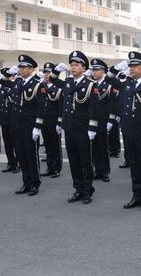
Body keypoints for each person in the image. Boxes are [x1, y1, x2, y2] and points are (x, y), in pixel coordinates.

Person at [106, 51, 141, 211]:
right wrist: (117, 68)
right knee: (134, 165)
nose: (131, 68)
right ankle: (136, 195)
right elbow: (108, 78)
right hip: (129, 130)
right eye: (130, 65)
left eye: (134, 66)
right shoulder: (127, 84)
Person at [50, 51, 98, 204]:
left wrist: (92, 128)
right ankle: (78, 188)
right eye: (71, 65)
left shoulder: (90, 85)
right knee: (73, 161)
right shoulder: (69, 83)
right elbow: (52, 79)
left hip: (83, 129)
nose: (73, 67)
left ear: (84, 68)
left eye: (76, 65)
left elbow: (94, 108)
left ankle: (88, 190)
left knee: (85, 160)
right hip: (69, 128)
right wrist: (58, 70)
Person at [7, 55, 46, 196]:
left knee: (31, 156)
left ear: (31, 69)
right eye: (20, 67)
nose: (21, 69)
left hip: (30, 126)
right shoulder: (18, 83)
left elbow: (41, 108)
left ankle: (35, 183)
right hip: (17, 125)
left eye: (23, 67)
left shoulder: (38, 85)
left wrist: (38, 127)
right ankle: (26, 182)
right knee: (22, 156)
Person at [89, 58, 112, 182]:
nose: (94, 72)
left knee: (103, 146)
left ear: (103, 71)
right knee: (94, 146)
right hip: (92, 120)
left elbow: (111, 104)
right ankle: (97, 169)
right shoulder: (91, 85)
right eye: (93, 70)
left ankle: (105, 171)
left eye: (97, 70)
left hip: (103, 120)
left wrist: (111, 120)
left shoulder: (108, 85)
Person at [40, 62, 63, 178]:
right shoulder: (41, 87)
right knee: (48, 146)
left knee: (55, 146)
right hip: (44, 120)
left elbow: (60, 107)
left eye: (49, 72)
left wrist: (59, 122)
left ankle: (56, 168)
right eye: (45, 72)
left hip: (54, 121)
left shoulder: (58, 88)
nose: (46, 75)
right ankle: (50, 167)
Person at [0, 67, 19, 173]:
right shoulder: (3, 87)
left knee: (16, 143)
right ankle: (11, 163)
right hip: (4, 120)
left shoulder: (16, 85)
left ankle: (18, 163)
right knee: (7, 143)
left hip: (13, 119)